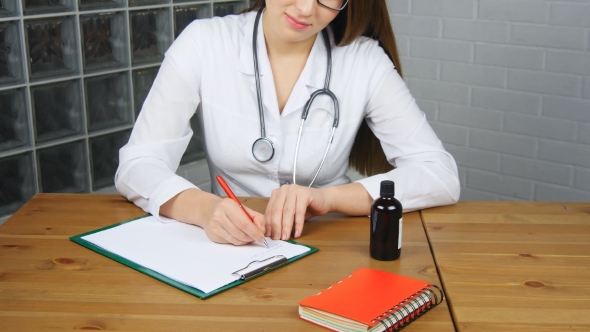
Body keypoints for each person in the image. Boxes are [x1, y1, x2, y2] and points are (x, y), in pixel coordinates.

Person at [115, 0, 460, 246]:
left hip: (330, 243)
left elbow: (439, 174)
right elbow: (138, 164)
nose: (307, 9)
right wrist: (205, 209)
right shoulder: (204, 43)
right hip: (229, 246)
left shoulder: (364, 60)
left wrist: (329, 199)